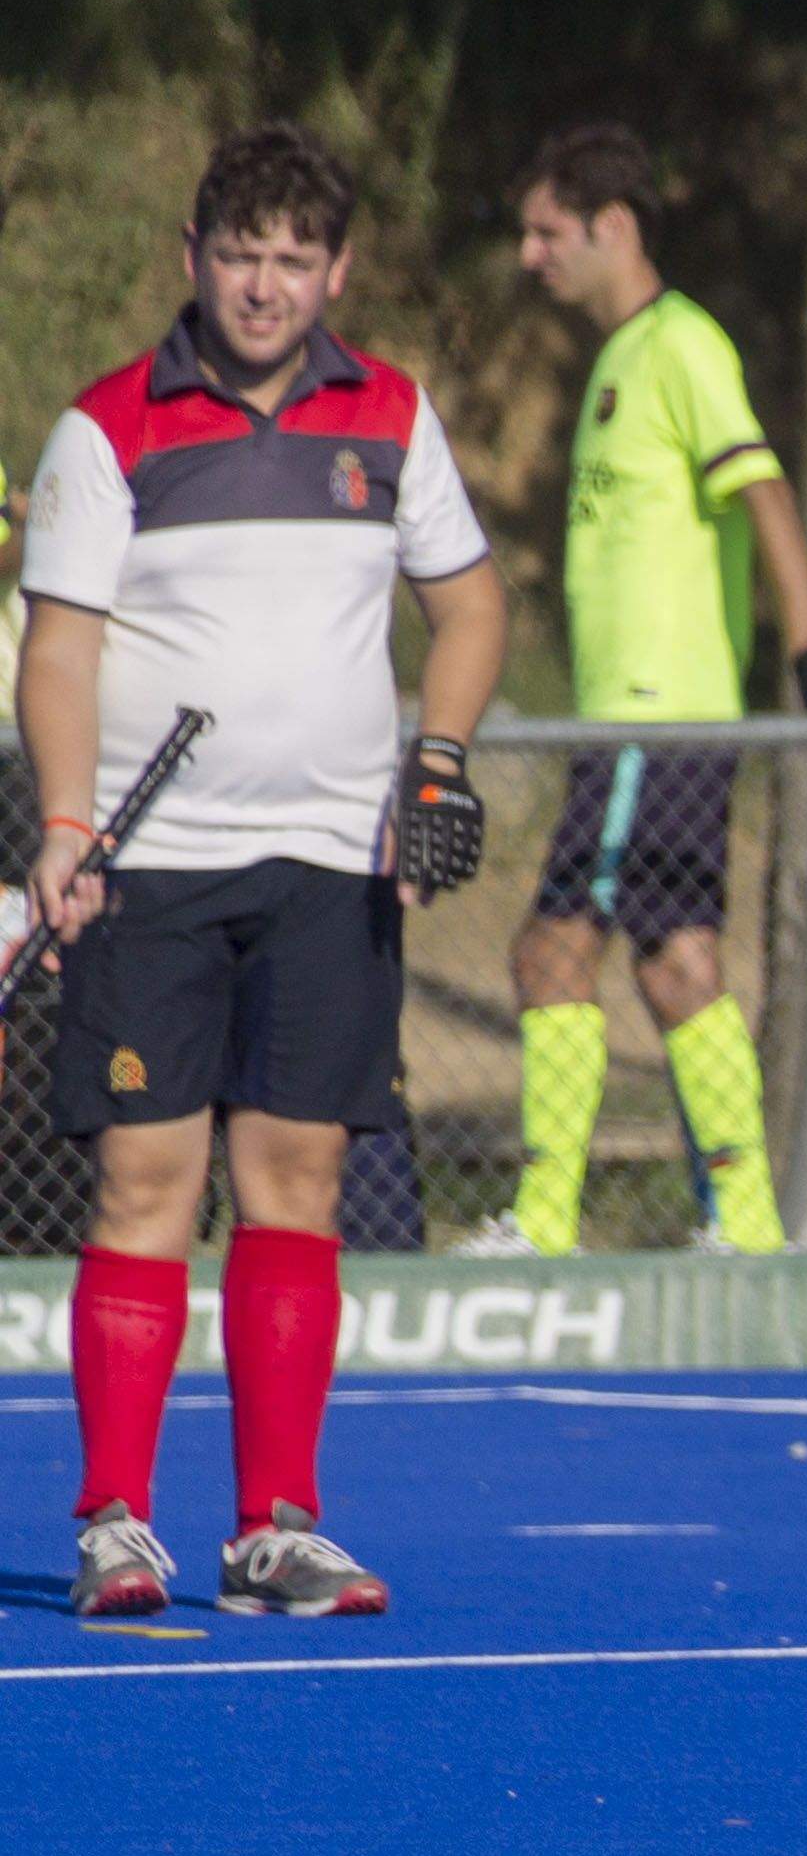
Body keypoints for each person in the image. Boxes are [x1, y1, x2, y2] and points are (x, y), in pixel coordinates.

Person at [16, 124, 506, 1619]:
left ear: (338, 272)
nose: (266, 286)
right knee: (145, 1181)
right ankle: (115, 1521)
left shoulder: (394, 419)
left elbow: (470, 613)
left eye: (297, 260)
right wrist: (63, 824)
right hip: (154, 873)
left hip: (329, 872)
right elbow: (62, 645)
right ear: (193, 259)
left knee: (295, 1185)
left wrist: (438, 765)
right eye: (241, 255)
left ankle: (277, 1524)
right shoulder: (107, 431)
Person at [456, 121, 807, 1262]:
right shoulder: (615, 360)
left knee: (550, 951)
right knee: (676, 961)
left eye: (547, 231)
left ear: (614, 228)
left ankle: (545, 1223)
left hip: (655, 719)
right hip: (643, 725)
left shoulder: (680, 344)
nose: (529, 254)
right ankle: (746, 1225)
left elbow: (760, 485)